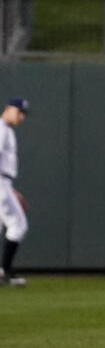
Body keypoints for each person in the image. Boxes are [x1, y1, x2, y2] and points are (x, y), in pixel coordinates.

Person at [0, 98, 29, 287]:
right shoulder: (2, 129)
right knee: (18, 225)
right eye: (19, 112)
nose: (22, 117)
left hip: (4, 182)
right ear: (9, 109)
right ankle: (5, 272)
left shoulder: (5, 129)